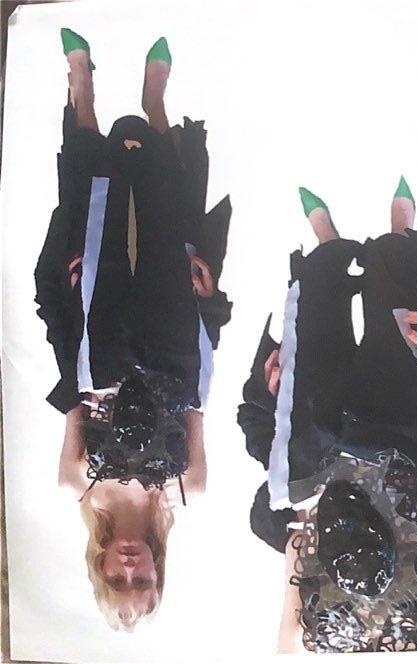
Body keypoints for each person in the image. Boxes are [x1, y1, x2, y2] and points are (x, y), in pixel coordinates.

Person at [239, 183, 417, 653]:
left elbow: (299, 545)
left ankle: (326, 242)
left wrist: (275, 417)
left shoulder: (300, 649)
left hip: (319, 454)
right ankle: (400, 228)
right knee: (404, 292)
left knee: (315, 309)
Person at [39, 31, 229, 631]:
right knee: (170, 221)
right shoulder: (186, 488)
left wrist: (71, 298)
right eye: (141, 581)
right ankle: (154, 102)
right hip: (172, 351)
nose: (129, 569)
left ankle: (82, 89)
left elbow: (72, 389)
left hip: (102, 347)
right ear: (157, 571)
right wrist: (205, 305)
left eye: (117, 580)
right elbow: (197, 399)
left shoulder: (77, 485)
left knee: (89, 211)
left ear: (98, 566)